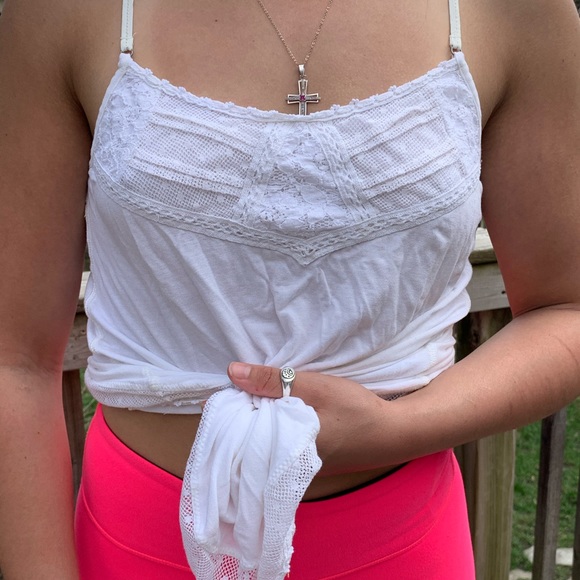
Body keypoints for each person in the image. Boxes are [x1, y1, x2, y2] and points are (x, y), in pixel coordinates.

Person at [0, 0, 579, 577]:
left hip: (403, 544)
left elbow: (566, 309)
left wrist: (396, 429)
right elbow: (14, 360)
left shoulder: (513, 12)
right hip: (139, 543)